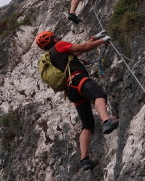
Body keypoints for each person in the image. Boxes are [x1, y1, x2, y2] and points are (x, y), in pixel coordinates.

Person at [35, 30, 119, 170]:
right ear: (53, 39)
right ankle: (106, 120)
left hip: (71, 90)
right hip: (78, 79)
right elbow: (83, 48)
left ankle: (85, 159)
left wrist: (93, 39)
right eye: (54, 36)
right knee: (99, 95)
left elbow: (77, 53)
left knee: (87, 125)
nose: (57, 37)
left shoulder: (51, 56)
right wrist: (102, 41)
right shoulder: (60, 45)